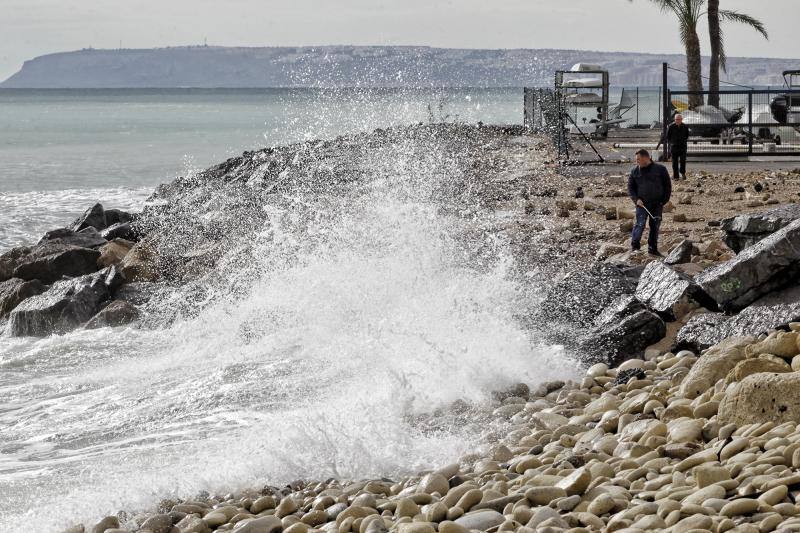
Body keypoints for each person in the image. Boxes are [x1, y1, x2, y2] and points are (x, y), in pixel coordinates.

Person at [627, 148, 671, 256]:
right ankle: (635, 246)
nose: (637, 161)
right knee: (640, 224)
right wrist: (636, 200)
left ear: (646, 158)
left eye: (639, 159)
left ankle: (652, 249)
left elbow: (667, 186)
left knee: (655, 226)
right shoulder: (634, 171)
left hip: (657, 204)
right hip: (642, 204)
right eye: (636, 160)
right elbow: (630, 187)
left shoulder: (660, 169)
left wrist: (663, 201)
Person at [666, 114, 690, 180]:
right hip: (674, 147)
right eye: (676, 119)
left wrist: (683, 141)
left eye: (679, 119)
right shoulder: (671, 126)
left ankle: (682, 173)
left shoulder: (685, 126)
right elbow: (668, 136)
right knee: (674, 162)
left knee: (683, 161)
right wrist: (673, 142)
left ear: (681, 120)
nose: (677, 121)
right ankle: (676, 176)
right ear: (674, 120)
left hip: (682, 147)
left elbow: (687, 135)